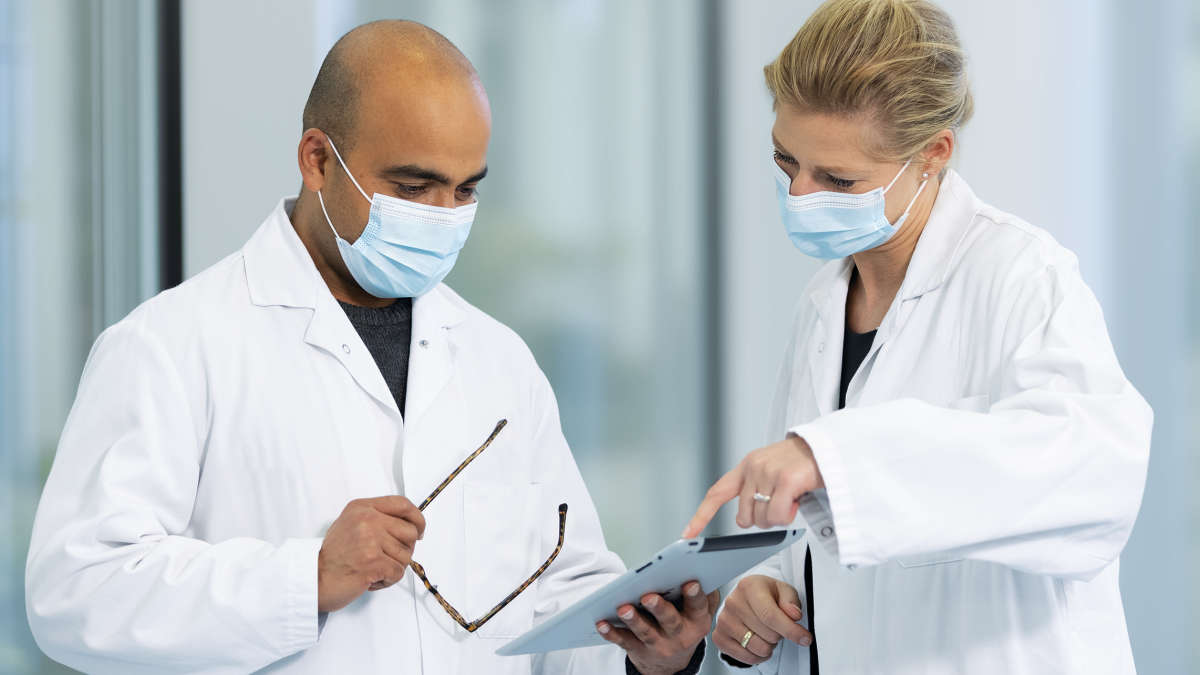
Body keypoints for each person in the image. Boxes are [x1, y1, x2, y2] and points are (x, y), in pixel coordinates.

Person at [25, 20, 714, 675]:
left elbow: (555, 601)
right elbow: (74, 595)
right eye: (413, 187)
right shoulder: (171, 346)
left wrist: (645, 655)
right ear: (318, 160)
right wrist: (307, 577)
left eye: (465, 188)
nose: (443, 217)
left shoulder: (499, 363)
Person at [682, 1, 1152, 673]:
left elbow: (1093, 478)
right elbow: (829, 547)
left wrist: (835, 459)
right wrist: (767, 596)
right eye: (786, 162)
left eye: (838, 179)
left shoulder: (1022, 275)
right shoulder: (822, 307)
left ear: (934, 153)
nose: (801, 196)